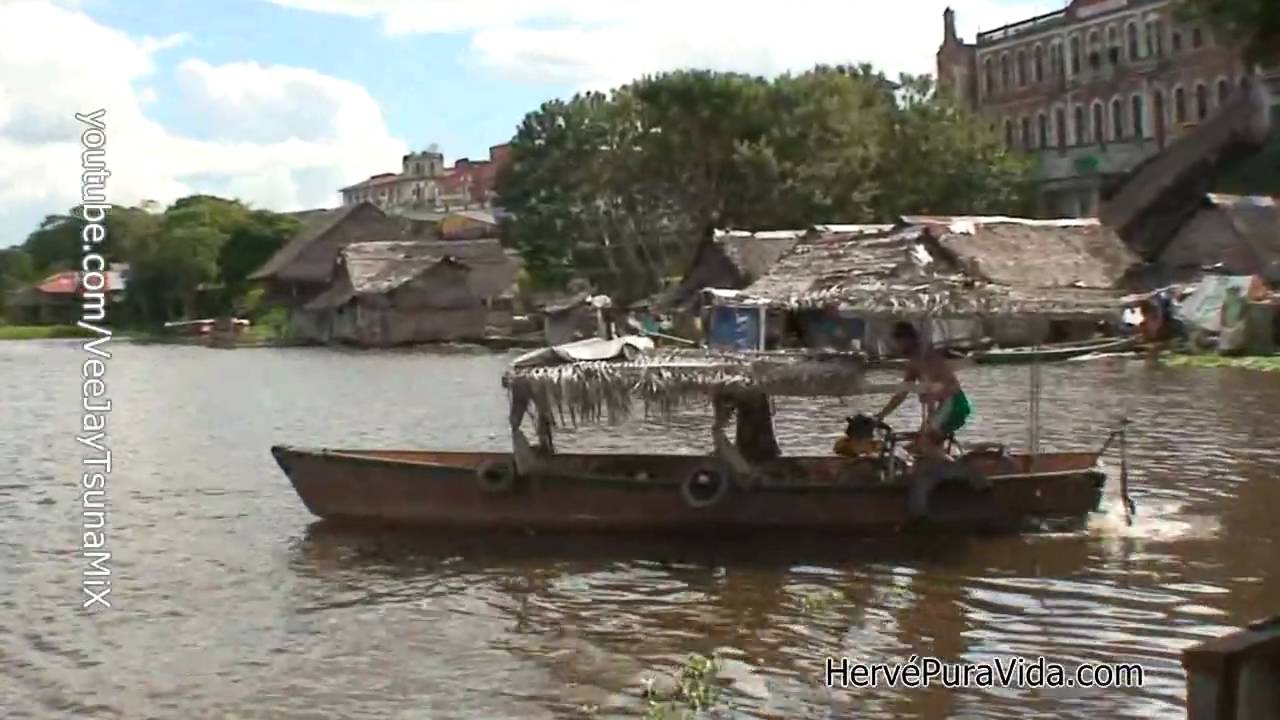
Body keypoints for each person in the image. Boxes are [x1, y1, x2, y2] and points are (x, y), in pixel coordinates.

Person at [873, 321, 970, 461]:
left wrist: (929, 420)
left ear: (907, 340)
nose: (896, 346)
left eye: (898, 342)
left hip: (953, 403)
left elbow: (932, 390)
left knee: (925, 443)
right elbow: (902, 393)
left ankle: (954, 473)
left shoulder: (926, 358)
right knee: (917, 446)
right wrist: (881, 415)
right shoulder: (914, 362)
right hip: (944, 405)